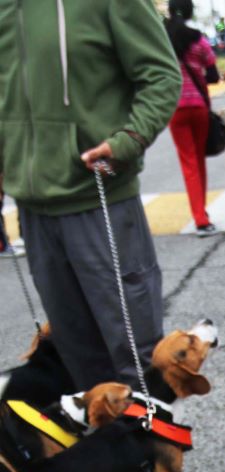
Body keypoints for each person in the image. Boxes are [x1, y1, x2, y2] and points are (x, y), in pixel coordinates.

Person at [0, 0, 181, 390]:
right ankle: (103, 432)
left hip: (100, 197)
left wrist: (129, 139)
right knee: (78, 363)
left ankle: (145, 433)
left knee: (136, 361)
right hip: (33, 210)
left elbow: (162, 76)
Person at [165, 0, 220, 237]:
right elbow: (214, 75)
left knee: (188, 164)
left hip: (175, 110)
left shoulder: (163, 41)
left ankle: (200, 217)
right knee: (199, 160)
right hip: (199, 108)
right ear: (189, 11)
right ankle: (202, 214)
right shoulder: (199, 40)